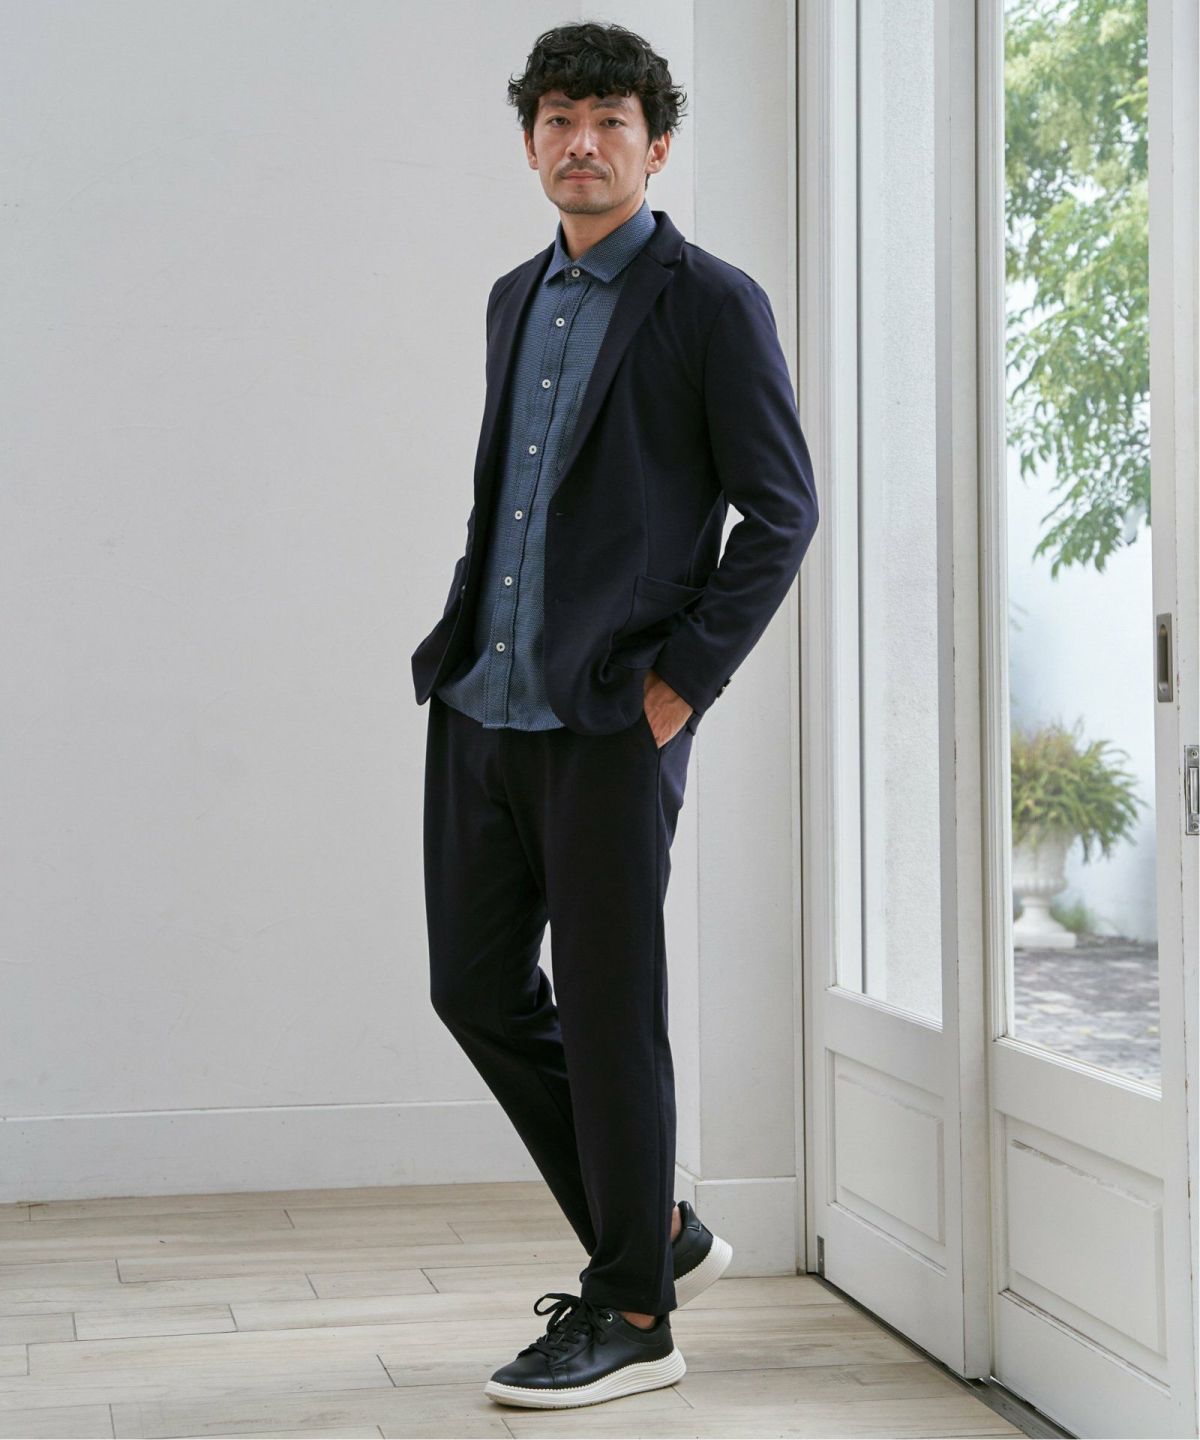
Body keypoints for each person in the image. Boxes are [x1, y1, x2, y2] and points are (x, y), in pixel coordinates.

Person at [411, 19, 819, 1411]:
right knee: (472, 988)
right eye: (558, 120)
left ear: (657, 144)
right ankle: (657, 1226)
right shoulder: (513, 296)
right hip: (482, 702)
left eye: (610, 122)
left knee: (607, 1013)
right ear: (531, 140)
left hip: (608, 723)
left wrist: (679, 684)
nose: (582, 144)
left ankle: (637, 1312)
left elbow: (781, 512)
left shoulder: (711, 304)